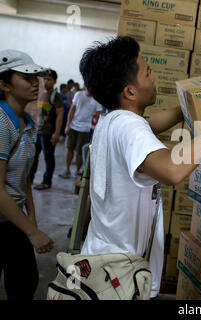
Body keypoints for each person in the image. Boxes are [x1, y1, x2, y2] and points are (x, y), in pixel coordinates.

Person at [79, 36, 201, 299]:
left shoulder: (111, 120)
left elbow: (152, 124)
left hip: (102, 263)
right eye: (147, 73)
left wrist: (187, 108)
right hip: (121, 280)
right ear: (130, 91)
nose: (153, 77)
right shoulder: (129, 126)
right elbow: (172, 170)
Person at [0, 49, 54, 300]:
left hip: (13, 217)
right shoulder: (2, 124)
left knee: (24, 281)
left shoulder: (28, 123)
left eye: (36, 77)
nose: (35, 83)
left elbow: (25, 177)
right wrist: (32, 233)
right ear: (4, 84)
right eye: (26, 78)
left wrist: (31, 219)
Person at [29, 69, 63, 190]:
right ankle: (30, 179)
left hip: (49, 132)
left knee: (48, 157)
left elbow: (60, 115)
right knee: (33, 156)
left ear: (54, 81)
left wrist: (57, 133)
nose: (45, 81)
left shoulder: (56, 96)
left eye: (49, 79)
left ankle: (46, 182)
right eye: (44, 79)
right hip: (39, 131)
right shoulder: (42, 94)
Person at [59, 87, 102, 178]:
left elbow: (98, 117)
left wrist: (95, 132)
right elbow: (72, 110)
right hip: (73, 126)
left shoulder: (96, 99)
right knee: (69, 148)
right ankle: (67, 170)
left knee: (79, 151)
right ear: (85, 86)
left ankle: (78, 171)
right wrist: (67, 125)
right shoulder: (78, 94)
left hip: (85, 129)